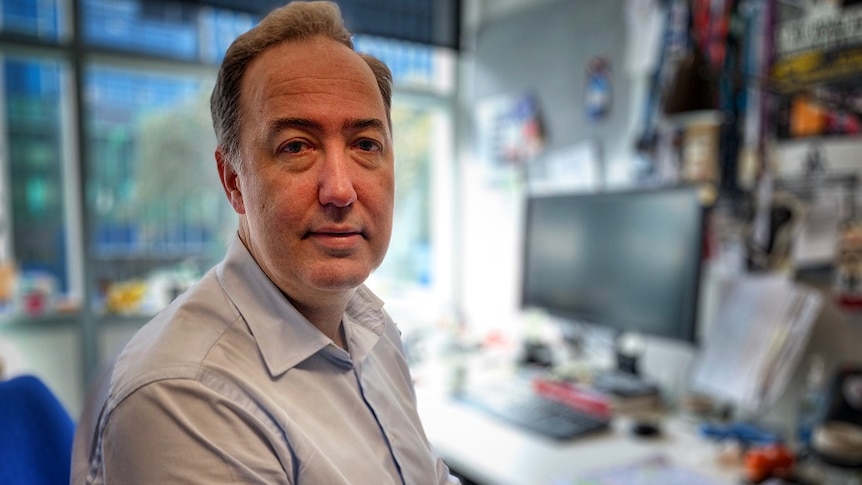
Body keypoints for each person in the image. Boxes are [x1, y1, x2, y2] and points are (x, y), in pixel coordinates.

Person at [70, 2, 461, 484]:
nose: (340, 189)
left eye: (365, 144)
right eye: (296, 146)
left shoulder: (372, 328)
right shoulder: (184, 394)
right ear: (233, 181)